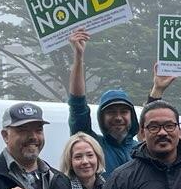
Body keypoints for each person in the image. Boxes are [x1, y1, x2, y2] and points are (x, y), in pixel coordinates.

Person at [68, 28, 164, 174]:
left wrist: (157, 90)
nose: (118, 117)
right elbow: (77, 106)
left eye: (124, 111)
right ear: (101, 117)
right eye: (111, 112)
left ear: (131, 116)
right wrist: (78, 57)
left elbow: (151, 123)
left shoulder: (142, 150)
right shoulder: (92, 146)